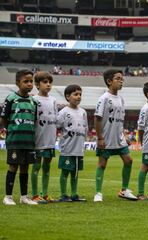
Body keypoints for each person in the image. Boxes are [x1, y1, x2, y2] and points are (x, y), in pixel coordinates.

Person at [94, 70, 137, 202]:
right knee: (102, 164)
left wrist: (125, 136)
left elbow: (119, 120)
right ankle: (98, 193)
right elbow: (97, 118)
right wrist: (100, 137)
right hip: (106, 138)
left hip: (119, 138)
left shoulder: (121, 99)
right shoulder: (104, 98)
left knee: (128, 161)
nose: (121, 81)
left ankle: (124, 190)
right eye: (118, 78)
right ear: (109, 81)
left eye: (122, 79)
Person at [1, 69, 38, 205]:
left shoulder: (33, 101)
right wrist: (12, 130)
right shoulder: (11, 99)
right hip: (15, 140)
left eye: (31, 81)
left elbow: (34, 120)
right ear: (18, 83)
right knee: (13, 166)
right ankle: (8, 197)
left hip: (29, 141)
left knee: (25, 167)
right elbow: (3, 119)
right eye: (26, 81)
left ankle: (24, 197)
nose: (29, 84)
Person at [57, 85, 87, 202]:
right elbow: (57, 126)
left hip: (78, 148)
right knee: (65, 171)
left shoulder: (83, 112)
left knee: (75, 173)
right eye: (75, 94)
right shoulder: (63, 112)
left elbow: (85, 129)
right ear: (67, 97)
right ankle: (63, 194)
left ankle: (74, 194)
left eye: (80, 94)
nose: (78, 96)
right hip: (67, 147)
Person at [31, 71, 57, 203]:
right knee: (36, 167)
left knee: (47, 167)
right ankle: (35, 195)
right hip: (38, 139)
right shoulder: (34, 100)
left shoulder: (53, 100)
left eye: (50, 82)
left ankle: (45, 193)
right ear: (37, 84)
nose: (48, 85)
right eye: (45, 82)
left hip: (50, 139)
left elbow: (55, 119)